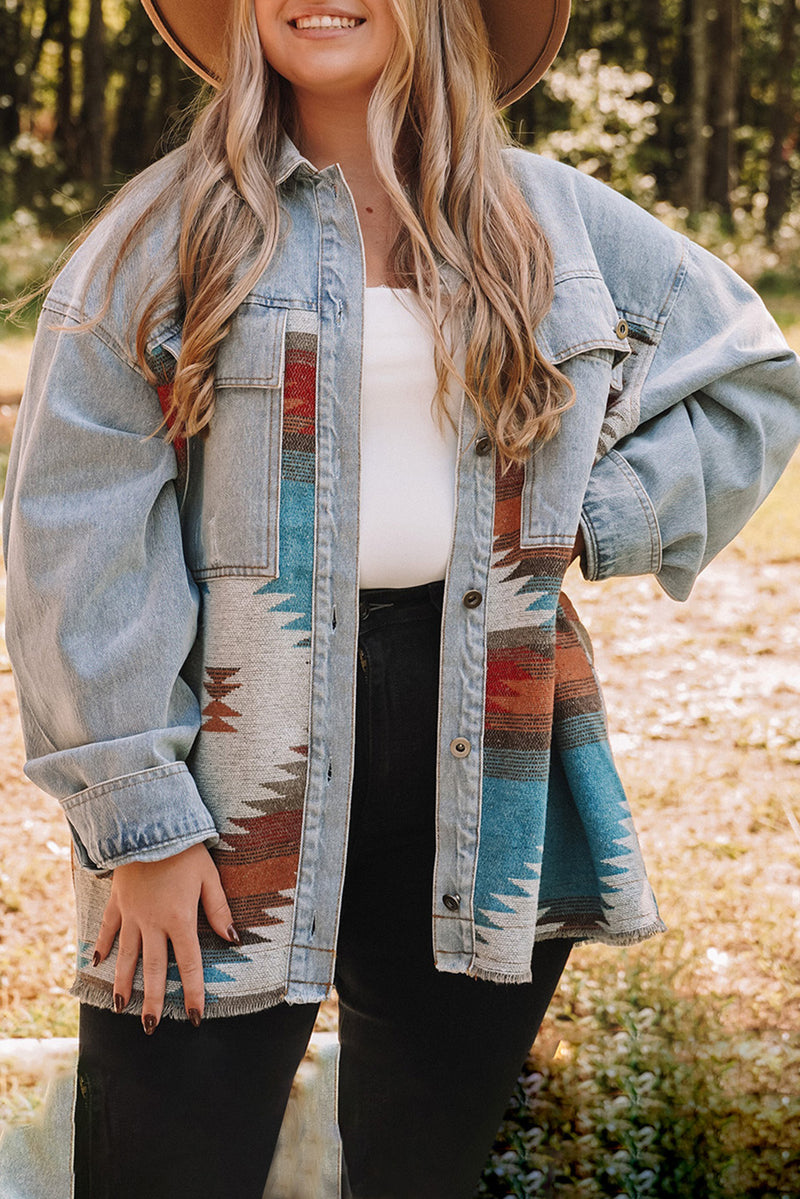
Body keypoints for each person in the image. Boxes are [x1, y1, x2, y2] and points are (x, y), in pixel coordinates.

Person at [4, 0, 800, 1196]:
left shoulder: (551, 219)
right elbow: (75, 538)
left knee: (420, 1167)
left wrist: (590, 516)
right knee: (164, 1158)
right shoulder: (161, 235)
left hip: (487, 752)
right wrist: (140, 818)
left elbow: (750, 381)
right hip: (226, 761)